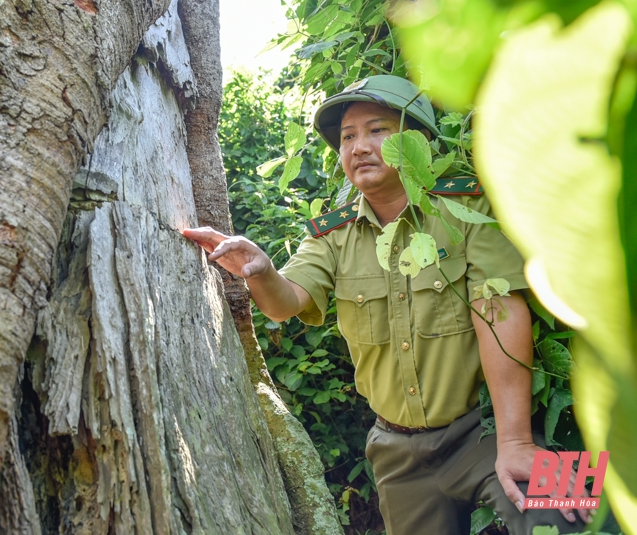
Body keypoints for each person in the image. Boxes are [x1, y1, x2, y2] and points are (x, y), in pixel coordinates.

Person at [184, 75, 589, 534]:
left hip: (484, 431)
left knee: (568, 508)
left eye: (378, 130)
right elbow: (285, 303)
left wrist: (516, 441)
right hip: (395, 450)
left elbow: (498, 310)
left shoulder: (465, 209)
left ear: (417, 141)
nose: (359, 147)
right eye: (348, 137)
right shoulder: (331, 235)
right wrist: (259, 268)